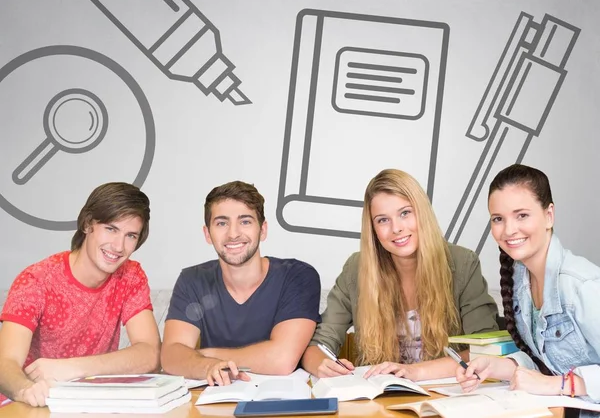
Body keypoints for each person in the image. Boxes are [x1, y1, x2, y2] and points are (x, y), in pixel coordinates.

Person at [301, 169, 498, 380]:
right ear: (373, 229)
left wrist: (416, 371)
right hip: (380, 401)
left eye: (405, 213)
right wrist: (322, 364)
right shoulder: (356, 268)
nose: (396, 228)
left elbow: (486, 350)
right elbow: (319, 345)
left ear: (421, 212)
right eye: (383, 220)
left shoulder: (463, 263)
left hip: (446, 394)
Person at [0, 182, 160, 407]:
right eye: (111, 229)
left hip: (86, 402)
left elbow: (150, 354)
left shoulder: (131, 275)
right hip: (27, 403)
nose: (118, 246)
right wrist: (27, 390)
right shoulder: (36, 280)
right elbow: (5, 363)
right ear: (87, 224)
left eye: (131, 236)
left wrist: (71, 368)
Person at [457, 164, 600, 405]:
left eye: (522, 215)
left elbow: (552, 379)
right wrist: (496, 366)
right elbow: (547, 362)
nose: (509, 230)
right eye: (498, 219)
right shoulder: (521, 280)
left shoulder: (581, 285)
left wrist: (559, 385)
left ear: (549, 216)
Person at [161, 181, 321, 386]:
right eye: (221, 223)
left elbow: (282, 359)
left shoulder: (298, 276)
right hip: (216, 398)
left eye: (245, 222)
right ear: (207, 234)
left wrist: (204, 356)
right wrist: (206, 366)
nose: (233, 233)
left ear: (263, 230)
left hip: (282, 401)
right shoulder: (192, 279)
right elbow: (172, 356)